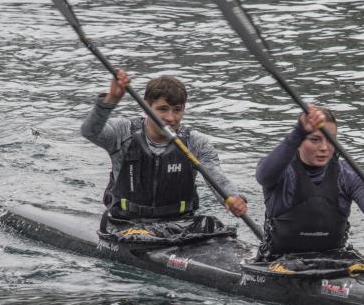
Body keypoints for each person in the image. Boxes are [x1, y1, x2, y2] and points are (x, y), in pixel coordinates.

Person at [255, 105, 364, 259]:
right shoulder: (282, 171)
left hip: (333, 261)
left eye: (331, 139)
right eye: (315, 139)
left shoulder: (348, 174)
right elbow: (263, 176)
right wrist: (298, 131)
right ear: (299, 141)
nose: (324, 147)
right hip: (277, 262)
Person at [81, 69, 247, 226]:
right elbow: (90, 132)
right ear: (146, 106)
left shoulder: (196, 143)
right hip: (126, 222)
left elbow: (216, 177)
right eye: (163, 109)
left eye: (177, 110)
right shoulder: (123, 133)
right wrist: (111, 100)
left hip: (180, 224)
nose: (171, 118)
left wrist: (231, 198)